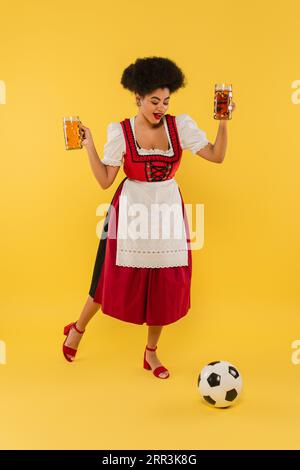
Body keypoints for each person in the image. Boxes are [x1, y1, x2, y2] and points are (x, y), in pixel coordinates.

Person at [62, 56, 236, 379]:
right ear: (138, 98)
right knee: (105, 277)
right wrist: (89, 146)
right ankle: (78, 327)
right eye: (154, 100)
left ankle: (151, 353)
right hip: (130, 209)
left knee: (163, 284)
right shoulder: (121, 131)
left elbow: (217, 155)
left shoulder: (179, 126)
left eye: (166, 101)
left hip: (167, 209)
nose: (161, 107)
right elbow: (104, 179)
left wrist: (223, 121)